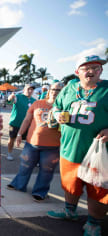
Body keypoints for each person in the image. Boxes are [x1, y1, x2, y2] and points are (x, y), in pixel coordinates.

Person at [46, 55, 108, 236]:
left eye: (95, 67)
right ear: (77, 72)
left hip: (99, 153)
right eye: (85, 68)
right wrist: (57, 114)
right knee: (70, 184)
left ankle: (94, 222)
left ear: (101, 70)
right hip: (70, 148)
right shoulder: (69, 88)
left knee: (98, 189)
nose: (90, 71)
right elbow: (56, 106)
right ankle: (69, 211)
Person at [7, 82, 64, 202]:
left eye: (59, 90)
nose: (55, 92)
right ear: (49, 91)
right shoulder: (37, 103)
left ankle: (40, 192)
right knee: (25, 166)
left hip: (52, 146)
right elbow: (27, 120)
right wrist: (19, 134)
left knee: (46, 171)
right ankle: (18, 184)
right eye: (53, 89)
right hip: (31, 143)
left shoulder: (65, 106)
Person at [6, 84, 36, 161]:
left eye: (32, 89)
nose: (30, 91)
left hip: (27, 125)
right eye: (28, 89)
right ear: (23, 90)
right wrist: (10, 97)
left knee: (28, 141)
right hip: (15, 123)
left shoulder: (34, 100)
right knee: (12, 139)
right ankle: (9, 153)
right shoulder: (18, 97)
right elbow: (9, 101)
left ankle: (26, 155)